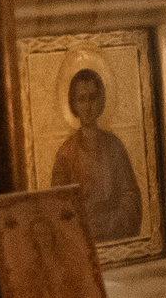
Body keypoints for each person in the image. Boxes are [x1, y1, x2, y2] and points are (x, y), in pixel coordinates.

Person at [49, 68, 145, 245]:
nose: (88, 106)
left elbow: (131, 196)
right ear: (73, 104)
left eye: (92, 98)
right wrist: (86, 226)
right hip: (82, 239)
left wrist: (111, 224)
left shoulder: (114, 146)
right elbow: (59, 206)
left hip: (115, 235)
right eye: (81, 99)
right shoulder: (66, 153)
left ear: (101, 101)